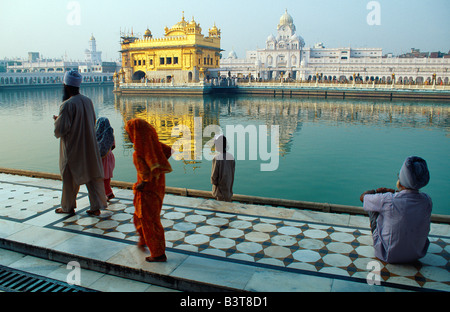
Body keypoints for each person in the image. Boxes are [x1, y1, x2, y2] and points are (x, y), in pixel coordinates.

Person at [359, 156, 432, 264]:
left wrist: (376, 192)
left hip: (388, 255)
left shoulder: (388, 199)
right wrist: (392, 192)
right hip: (417, 254)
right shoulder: (427, 200)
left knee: (374, 207)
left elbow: (363, 198)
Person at [53, 70, 107, 216]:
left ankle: (67, 207)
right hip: (89, 145)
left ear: (66, 86)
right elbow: (92, 121)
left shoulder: (67, 104)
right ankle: (96, 207)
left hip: (73, 148)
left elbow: (61, 130)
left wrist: (57, 120)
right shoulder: (87, 101)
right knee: (92, 175)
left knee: (69, 178)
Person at [125, 118, 172, 262]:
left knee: (149, 221)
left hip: (147, 192)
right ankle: (144, 239)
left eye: (129, 132)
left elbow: (146, 177)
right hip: (159, 188)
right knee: (147, 218)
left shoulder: (138, 153)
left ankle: (158, 253)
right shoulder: (154, 146)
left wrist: (141, 185)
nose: (128, 135)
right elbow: (169, 150)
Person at [96, 117, 116, 201]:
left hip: (102, 159)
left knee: (101, 178)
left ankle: (107, 194)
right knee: (106, 178)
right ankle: (108, 194)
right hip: (109, 157)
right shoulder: (110, 134)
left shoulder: (97, 134)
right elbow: (113, 146)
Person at [211, 134, 235, 202]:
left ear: (218, 146)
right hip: (228, 190)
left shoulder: (217, 158)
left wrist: (214, 183)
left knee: (220, 209)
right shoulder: (231, 157)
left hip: (220, 192)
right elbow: (232, 172)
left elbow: (214, 176)